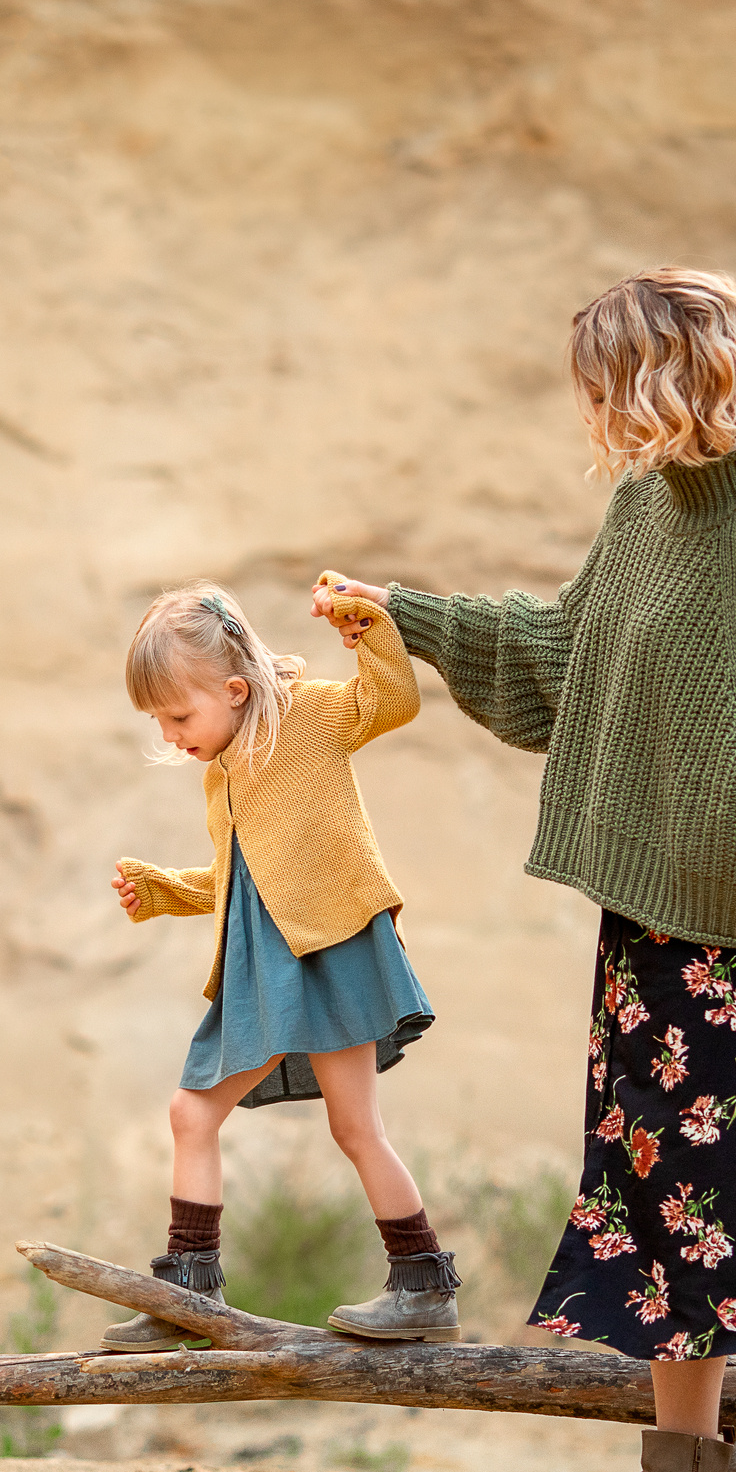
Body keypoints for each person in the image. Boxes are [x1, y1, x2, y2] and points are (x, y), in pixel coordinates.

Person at [314, 268, 736, 1472]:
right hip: (651, 933)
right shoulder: (647, 508)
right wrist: (407, 615)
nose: (590, 407)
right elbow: (558, 657)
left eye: (604, 381)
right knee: (659, 1209)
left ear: (664, 379)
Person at [102, 576, 458, 1351]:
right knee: (192, 1111)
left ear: (233, 689)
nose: (169, 735)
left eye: (177, 715)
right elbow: (244, 878)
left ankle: (423, 1283)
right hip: (265, 964)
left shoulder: (311, 716)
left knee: (356, 1126)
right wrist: (166, 889)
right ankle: (190, 1290)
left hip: (332, 950)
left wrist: (371, 625)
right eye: (159, 720)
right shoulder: (221, 772)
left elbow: (392, 699)